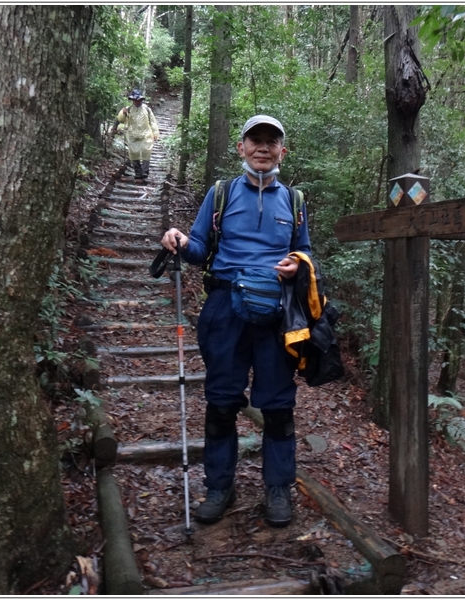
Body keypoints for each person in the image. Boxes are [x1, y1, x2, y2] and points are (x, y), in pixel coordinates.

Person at [161, 115, 310, 528]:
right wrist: (179, 240)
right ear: (241, 147)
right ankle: (218, 487)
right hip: (225, 306)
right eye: (255, 140)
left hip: (276, 313)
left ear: (283, 150)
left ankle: (278, 489)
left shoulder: (294, 201)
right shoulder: (221, 194)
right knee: (222, 402)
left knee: (278, 407)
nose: (263, 148)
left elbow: (306, 253)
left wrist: (297, 264)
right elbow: (198, 249)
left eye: (271, 141)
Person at [115, 89, 159, 183]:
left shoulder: (147, 109)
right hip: (132, 135)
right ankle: (138, 174)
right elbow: (120, 119)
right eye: (135, 100)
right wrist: (123, 113)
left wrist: (155, 133)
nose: (137, 101)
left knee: (146, 152)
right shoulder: (129, 109)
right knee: (134, 154)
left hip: (146, 134)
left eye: (138, 100)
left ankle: (145, 173)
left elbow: (153, 121)